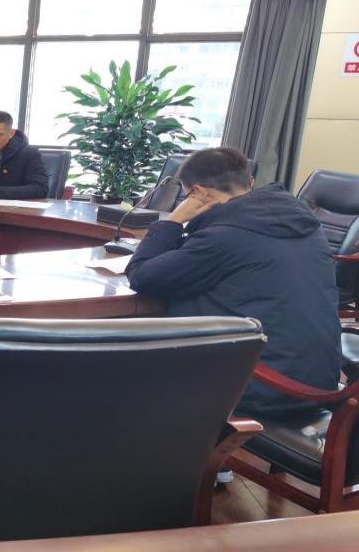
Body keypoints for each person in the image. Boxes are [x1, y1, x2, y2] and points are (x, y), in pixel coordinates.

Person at [126, 147, 342, 416]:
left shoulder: (225, 236)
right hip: (319, 381)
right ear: (250, 182)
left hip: (263, 387)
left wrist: (174, 220)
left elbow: (142, 276)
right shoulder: (306, 223)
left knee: (123, 369)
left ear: (197, 192)